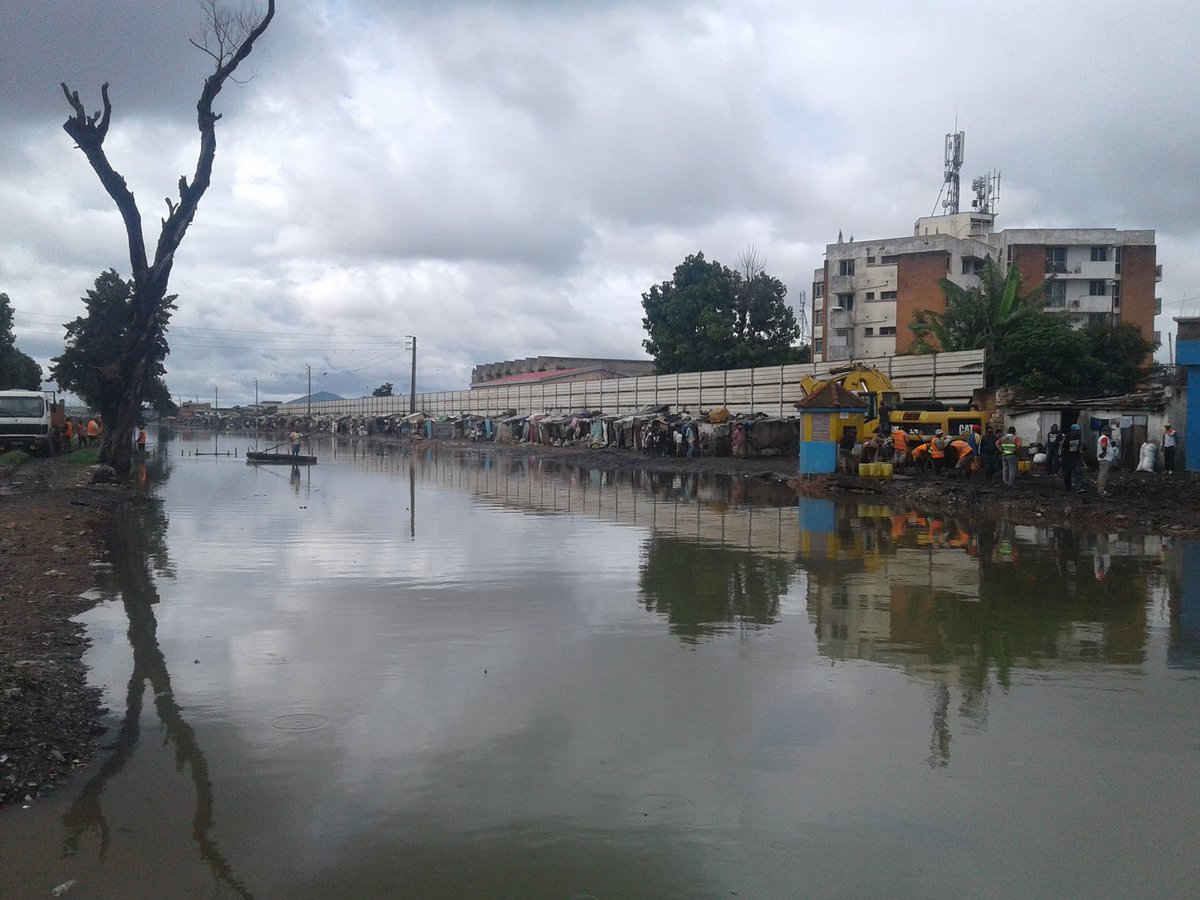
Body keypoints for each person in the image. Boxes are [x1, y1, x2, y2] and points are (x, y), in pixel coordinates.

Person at [1061, 423, 1085, 492]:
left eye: (1079, 430)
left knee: (1078, 472)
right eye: (1077, 430)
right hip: (1067, 457)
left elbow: (1080, 446)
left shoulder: (1078, 437)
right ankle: (1068, 487)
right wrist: (1060, 456)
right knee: (1067, 473)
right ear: (1073, 431)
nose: (1078, 432)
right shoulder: (1066, 437)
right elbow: (1061, 447)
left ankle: (1079, 487)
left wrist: (1081, 454)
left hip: (1075, 457)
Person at [1096, 425, 1118, 495]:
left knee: (1102, 474)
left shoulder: (1104, 438)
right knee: (1103, 475)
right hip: (1105, 459)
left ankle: (1100, 489)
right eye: (1109, 431)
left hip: (1105, 459)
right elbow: (1103, 445)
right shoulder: (1104, 438)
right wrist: (1104, 452)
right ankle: (1101, 491)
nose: (1110, 433)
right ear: (1105, 431)